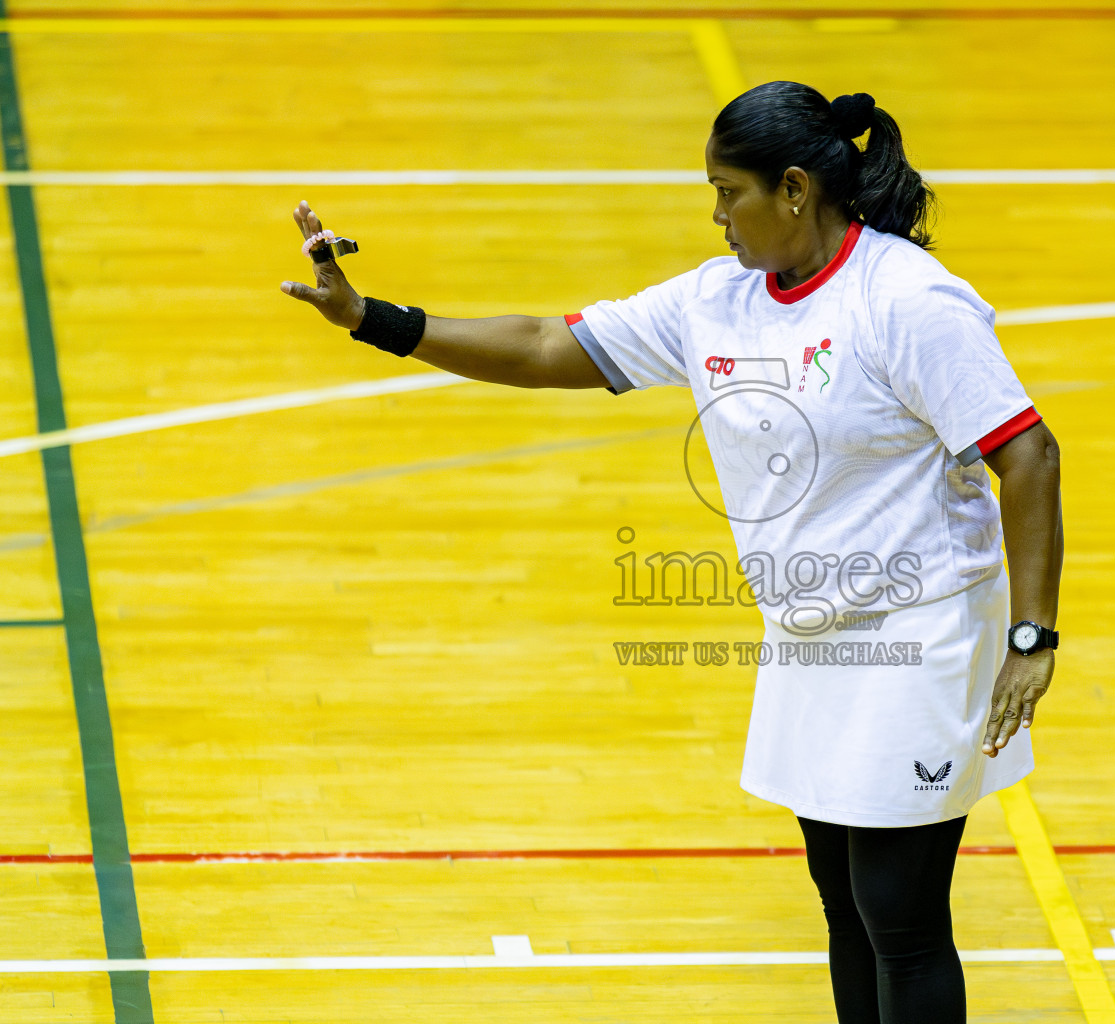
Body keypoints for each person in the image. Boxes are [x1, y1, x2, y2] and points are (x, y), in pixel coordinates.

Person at [281, 82, 1063, 1024]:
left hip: (923, 635)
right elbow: (539, 345)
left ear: (795, 189)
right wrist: (374, 318)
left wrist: (1030, 636)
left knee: (899, 916)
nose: (717, 214)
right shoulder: (714, 302)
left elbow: (1027, 452)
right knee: (845, 908)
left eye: (729, 192)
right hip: (809, 635)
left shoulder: (906, 301)